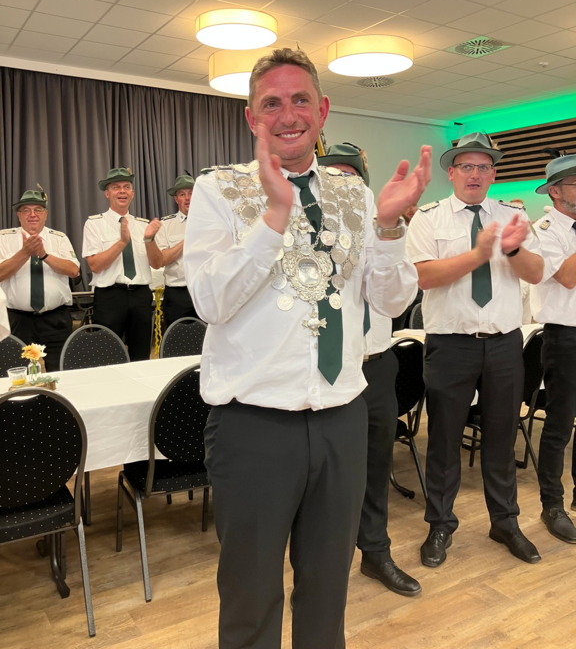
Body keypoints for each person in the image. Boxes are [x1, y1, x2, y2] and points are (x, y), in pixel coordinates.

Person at [184, 48, 431, 649]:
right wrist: (274, 215)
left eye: (300, 100)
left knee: (327, 587)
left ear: (322, 111)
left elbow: (391, 300)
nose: (288, 114)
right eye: (272, 103)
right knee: (250, 594)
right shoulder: (218, 190)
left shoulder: (354, 195)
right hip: (253, 424)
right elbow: (211, 302)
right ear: (252, 118)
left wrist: (390, 229)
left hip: (342, 416)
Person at [406, 131, 544, 568]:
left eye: (484, 167)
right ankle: (440, 525)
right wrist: (480, 253)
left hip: (503, 344)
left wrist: (512, 248)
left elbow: (536, 273)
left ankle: (505, 521)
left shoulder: (511, 216)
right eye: (466, 166)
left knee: (502, 437)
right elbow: (424, 277)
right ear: (451, 172)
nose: (475, 174)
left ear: (494, 174)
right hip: (451, 345)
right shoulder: (428, 218)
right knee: (444, 440)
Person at [318, 143, 421, 598]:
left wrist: (390, 232)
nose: (343, 184)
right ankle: (320, 568)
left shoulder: (386, 232)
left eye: (352, 177)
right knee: (326, 477)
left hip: (377, 367)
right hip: (328, 373)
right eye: (333, 176)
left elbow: (397, 301)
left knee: (376, 467)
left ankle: (376, 553)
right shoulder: (306, 236)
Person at [530, 154, 576, 543]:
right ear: (556, 192)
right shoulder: (543, 230)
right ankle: (552, 504)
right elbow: (567, 277)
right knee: (559, 425)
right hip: (565, 337)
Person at [82, 167, 163, 361]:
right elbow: (95, 265)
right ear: (107, 193)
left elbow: (157, 263)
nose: (122, 191)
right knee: (107, 355)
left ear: (132, 194)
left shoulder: (143, 225)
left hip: (141, 296)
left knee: (141, 355)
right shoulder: (94, 224)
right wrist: (121, 243)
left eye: (126, 187)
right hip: (110, 297)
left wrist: (149, 239)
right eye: (116, 187)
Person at [0, 189, 79, 371]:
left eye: (38, 209)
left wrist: (44, 255)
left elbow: (73, 270)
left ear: (46, 214)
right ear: (19, 215)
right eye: (26, 210)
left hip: (56, 319)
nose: (32, 214)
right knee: (18, 372)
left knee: (62, 372)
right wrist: (25, 253)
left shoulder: (59, 238)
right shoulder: (3, 238)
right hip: (17, 320)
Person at [155, 174, 199, 327]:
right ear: (176, 199)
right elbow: (162, 259)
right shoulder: (165, 225)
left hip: (205, 290)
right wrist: (187, 239)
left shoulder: (210, 222)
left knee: (208, 338)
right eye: (182, 194)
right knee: (177, 339)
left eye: (191, 193)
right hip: (177, 294)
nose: (187, 198)